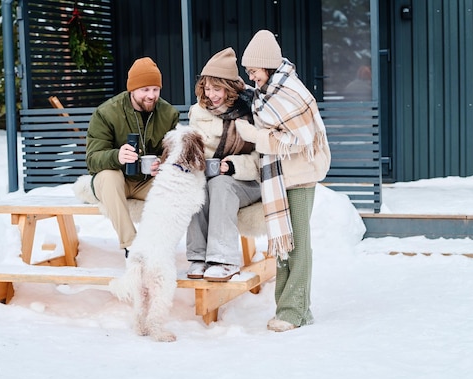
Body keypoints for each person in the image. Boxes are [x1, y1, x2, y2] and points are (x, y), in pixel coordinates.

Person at [235, 30, 331, 332]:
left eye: (254, 71)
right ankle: (294, 310)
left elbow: (300, 139)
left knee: (298, 244)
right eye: (248, 72)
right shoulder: (268, 93)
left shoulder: (291, 92)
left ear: (268, 66)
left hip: (299, 176)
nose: (252, 77)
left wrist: (255, 137)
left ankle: (292, 311)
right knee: (284, 244)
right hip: (279, 177)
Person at [85, 57, 180, 258]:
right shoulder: (106, 113)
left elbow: (174, 155)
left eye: (155, 89)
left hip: (146, 181)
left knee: (173, 188)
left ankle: (158, 246)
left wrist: (162, 164)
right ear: (132, 89)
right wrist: (116, 155)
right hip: (114, 181)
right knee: (109, 176)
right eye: (145, 90)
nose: (151, 96)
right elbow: (92, 160)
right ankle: (132, 246)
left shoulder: (168, 114)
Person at [185, 47, 261, 282]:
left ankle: (223, 259)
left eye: (217, 89)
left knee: (220, 184)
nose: (211, 95)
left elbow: (264, 157)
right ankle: (198, 256)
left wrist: (234, 165)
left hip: (247, 181)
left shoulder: (252, 109)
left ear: (230, 88)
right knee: (196, 184)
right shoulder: (198, 111)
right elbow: (195, 146)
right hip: (210, 176)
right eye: (207, 88)